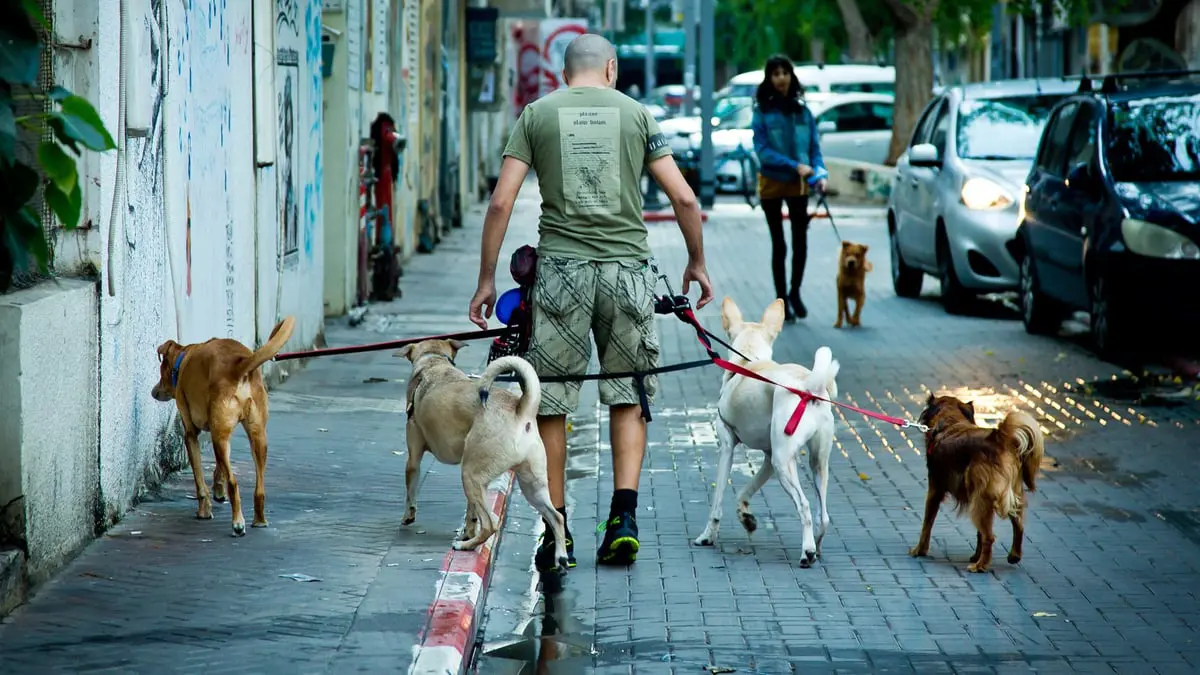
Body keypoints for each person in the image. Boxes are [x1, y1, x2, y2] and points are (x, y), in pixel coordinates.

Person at [468, 34, 713, 571]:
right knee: (628, 393)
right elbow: (685, 197)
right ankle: (623, 518)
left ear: (563, 71)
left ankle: (558, 531)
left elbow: (501, 201)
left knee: (550, 399)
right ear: (612, 67)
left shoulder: (538, 114)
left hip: (559, 276)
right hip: (627, 273)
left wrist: (487, 279)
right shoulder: (637, 115)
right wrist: (695, 262)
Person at [750, 54, 828, 322]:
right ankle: (781, 299)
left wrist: (821, 174)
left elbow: (815, 150)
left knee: (800, 241)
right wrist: (794, 165)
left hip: (800, 184)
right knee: (779, 244)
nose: (781, 78)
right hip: (772, 182)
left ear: (791, 77)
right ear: (769, 79)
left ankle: (795, 292)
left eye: (785, 72)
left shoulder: (803, 112)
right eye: (776, 73)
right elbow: (762, 151)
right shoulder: (761, 113)